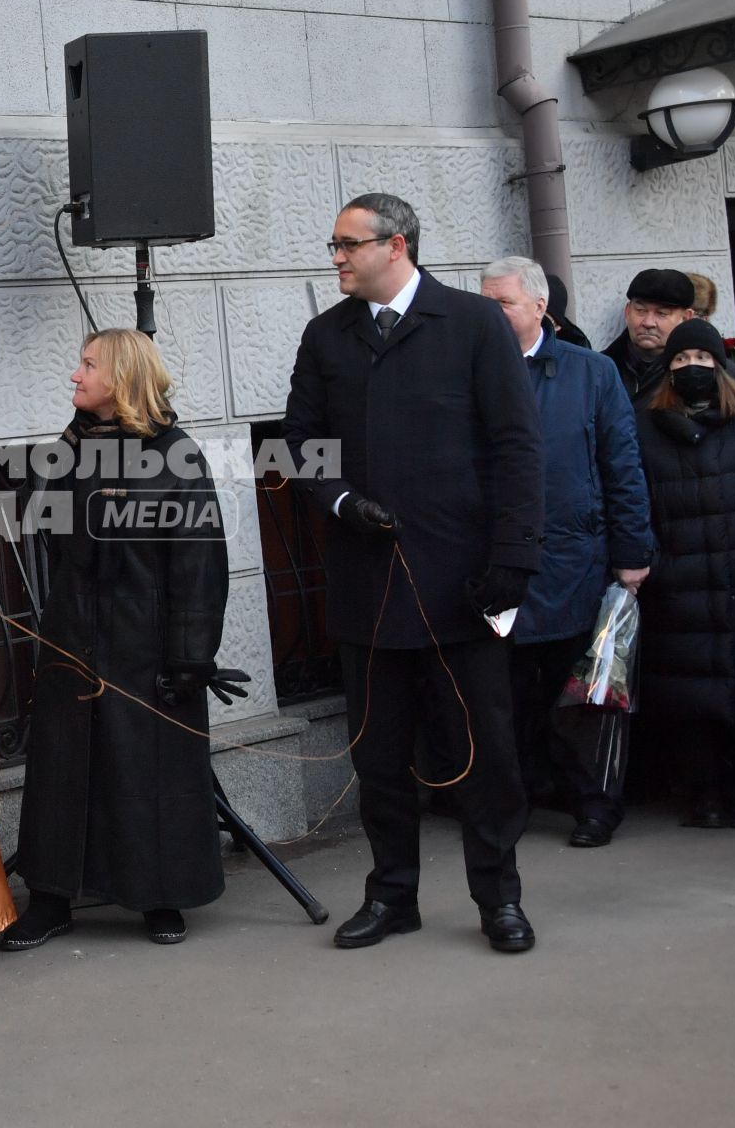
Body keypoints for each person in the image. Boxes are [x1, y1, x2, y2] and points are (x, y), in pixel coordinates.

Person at [284, 194, 544, 954]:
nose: (334, 257)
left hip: (465, 585)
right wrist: (338, 501)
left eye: (345, 244)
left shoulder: (471, 324)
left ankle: (499, 899)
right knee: (379, 757)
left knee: (483, 755)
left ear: (394, 245)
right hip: (369, 589)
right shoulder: (325, 336)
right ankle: (393, 895)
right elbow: (294, 447)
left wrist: (513, 560)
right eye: (332, 244)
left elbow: (517, 449)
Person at [3, 328, 230, 950]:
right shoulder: (75, 447)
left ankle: (161, 897)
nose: (74, 376)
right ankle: (50, 899)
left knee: (148, 769)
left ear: (122, 376)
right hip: (73, 635)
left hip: (147, 643)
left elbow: (199, 564)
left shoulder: (176, 453)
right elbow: (37, 521)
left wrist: (190, 655)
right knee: (61, 771)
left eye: (87, 365)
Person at [479, 257, 654, 848]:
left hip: (575, 562)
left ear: (537, 308)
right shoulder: (468, 370)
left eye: (501, 302)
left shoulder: (591, 373)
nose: (491, 312)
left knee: (582, 694)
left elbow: (622, 467)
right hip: (500, 567)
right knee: (508, 698)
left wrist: (633, 553)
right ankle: (517, 799)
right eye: (485, 301)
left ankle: (595, 804)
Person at [636, 320, 735, 830]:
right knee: (691, 700)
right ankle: (704, 795)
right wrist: (657, 565)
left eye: (701, 361)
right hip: (678, 588)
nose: (692, 370)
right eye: (680, 362)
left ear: (719, 367)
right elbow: (636, 503)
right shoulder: (647, 428)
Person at [602, 268, 695, 409]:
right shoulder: (599, 370)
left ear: (686, 318)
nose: (648, 323)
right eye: (641, 311)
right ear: (627, 312)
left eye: (662, 313)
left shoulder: (699, 373)